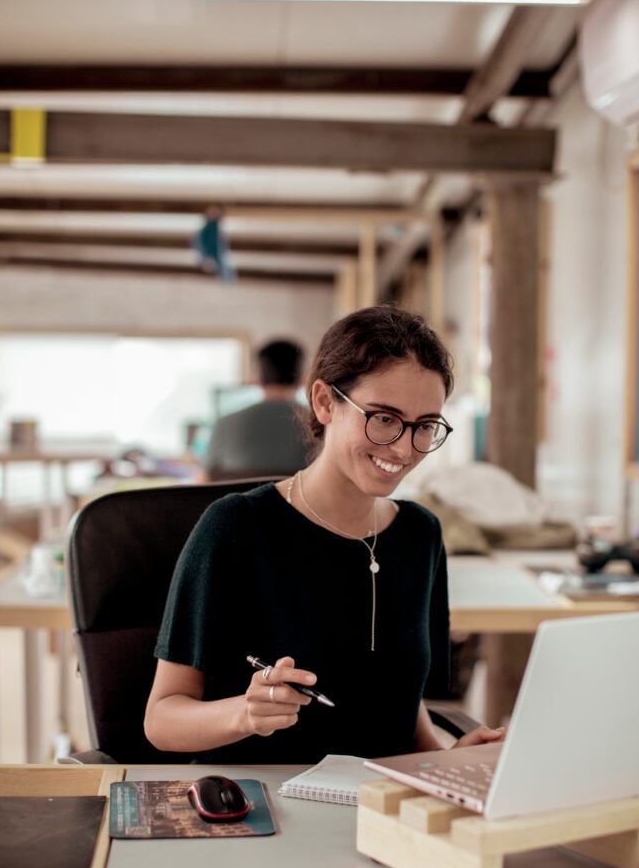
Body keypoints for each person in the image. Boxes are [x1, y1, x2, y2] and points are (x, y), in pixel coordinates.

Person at [145, 305, 503, 764]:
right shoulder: (235, 527)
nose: (404, 447)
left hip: (378, 807)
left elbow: (402, 716)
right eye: (384, 418)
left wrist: (449, 756)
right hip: (263, 810)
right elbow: (161, 721)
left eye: (425, 426)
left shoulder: (421, 534)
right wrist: (245, 713)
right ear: (324, 402)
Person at [203, 339, 309, 480]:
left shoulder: (224, 423)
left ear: (257, 379)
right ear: (303, 379)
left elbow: (205, 479)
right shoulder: (320, 424)